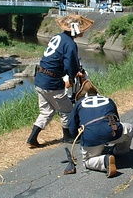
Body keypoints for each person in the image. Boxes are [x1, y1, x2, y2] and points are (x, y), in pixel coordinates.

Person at [27, 14, 94, 148]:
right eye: (82, 29)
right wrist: (74, 74)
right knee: (67, 110)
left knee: (46, 111)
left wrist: (72, 73)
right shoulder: (70, 44)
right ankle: (67, 136)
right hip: (52, 82)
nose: (83, 31)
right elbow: (71, 65)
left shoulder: (58, 37)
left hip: (40, 79)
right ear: (75, 29)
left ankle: (32, 138)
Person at [68, 79, 133, 178]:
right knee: (130, 128)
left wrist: (79, 140)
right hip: (113, 130)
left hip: (91, 136)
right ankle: (120, 151)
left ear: (83, 96)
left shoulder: (79, 103)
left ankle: (104, 161)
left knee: (87, 162)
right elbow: (117, 120)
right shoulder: (108, 100)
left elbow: (72, 126)